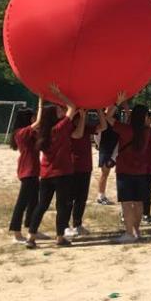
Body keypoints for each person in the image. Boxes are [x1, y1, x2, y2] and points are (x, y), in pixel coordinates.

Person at [26, 86, 80, 249]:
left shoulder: (41, 134)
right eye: (58, 110)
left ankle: (31, 236)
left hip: (46, 174)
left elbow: (40, 120)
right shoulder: (59, 129)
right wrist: (59, 94)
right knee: (62, 206)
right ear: (53, 117)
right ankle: (59, 237)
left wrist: (41, 102)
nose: (61, 110)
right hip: (63, 173)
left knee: (41, 205)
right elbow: (72, 107)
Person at [105, 94, 151, 243]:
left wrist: (117, 103)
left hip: (125, 171)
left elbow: (108, 118)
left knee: (126, 204)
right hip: (141, 172)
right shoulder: (146, 132)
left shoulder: (125, 130)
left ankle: (129, 233)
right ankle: (137, 230)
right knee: (139, 203)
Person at [65, 108, 106, 238]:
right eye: (82, 115)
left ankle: (77, 224)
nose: (85, 117)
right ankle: (65, 226)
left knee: (81, 199)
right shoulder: (68, 127)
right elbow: (78, 133)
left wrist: (100, 110)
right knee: (68, 199)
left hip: (85, 168)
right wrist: (82, 117)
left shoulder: (87, 127)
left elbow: (103, 126)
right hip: (71, 168)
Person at [8, 107, 39, 244]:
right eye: (32, 117)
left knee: (34, 202)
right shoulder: (21, 132)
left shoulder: (29, 132)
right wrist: (41, 101)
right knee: (22, 203)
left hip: (33, 170)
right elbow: (38, 122)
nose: (34, 119)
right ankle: (16, 233)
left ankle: (31, 228)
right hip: (28, 170)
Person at [95, 116, 119, 205]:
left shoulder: (114, 122)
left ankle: (102, 195)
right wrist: (101, 147)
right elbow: (96, 136)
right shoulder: (103, 122)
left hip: (110, 150)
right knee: (104, 174)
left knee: (105, 174)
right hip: (106, 150)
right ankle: (100, 196)